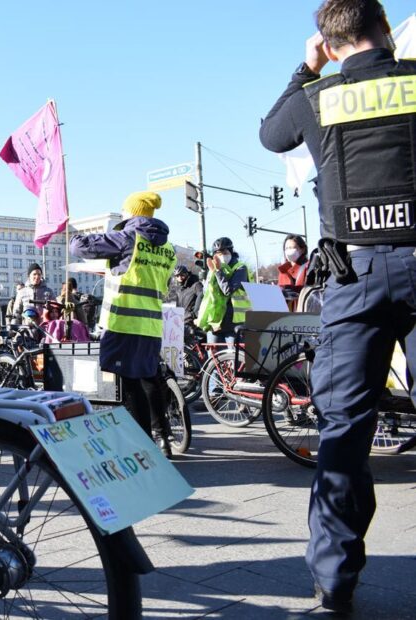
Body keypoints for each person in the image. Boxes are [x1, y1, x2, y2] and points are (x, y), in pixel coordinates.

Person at [260, 0, 415, 612]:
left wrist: (305, 70)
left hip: (358, 274)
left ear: (328, 42)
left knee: (344, 434)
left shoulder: (318, 95)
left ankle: (334, 586)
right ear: (383, 28)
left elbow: (271, 135)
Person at [70, 191, 177, 457]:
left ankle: (143, 445)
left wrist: (70, 234)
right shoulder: (167, 248)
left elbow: (79, 247)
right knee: (151, 379)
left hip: (123, 322)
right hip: (151, 324)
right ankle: (163, 437)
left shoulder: (129, 237)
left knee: (129, 383)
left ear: (132, 212)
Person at [196, 237, 251, 345]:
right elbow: (205, 293)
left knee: (233, 357)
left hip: (234, 323)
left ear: (230, 252)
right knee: (213, 357)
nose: (221, 256)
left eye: (224, 252)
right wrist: (197, 312)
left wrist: (218, 271)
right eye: (218, 253)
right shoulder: (212, 268)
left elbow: (228, 290)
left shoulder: (240, 268)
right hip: (215, 322)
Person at [277, 234, 309, 311]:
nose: (288, 251)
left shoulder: (309, 267)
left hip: (304, 313)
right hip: (286, 315)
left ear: (302, 249)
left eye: (292, 247)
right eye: (286, 248)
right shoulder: (283, 271)